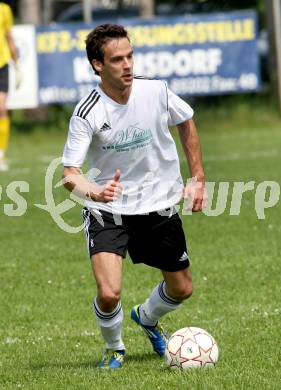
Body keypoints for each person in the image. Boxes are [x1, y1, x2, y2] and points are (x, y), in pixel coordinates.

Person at [62, 23, 206, 369]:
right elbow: (69, 174)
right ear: (98, 65)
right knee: (109, 292)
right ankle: (114, 348)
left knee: (182, 289)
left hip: (157, 204)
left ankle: (146, 316)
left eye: (130, 56)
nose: (127, 65)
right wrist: (94, 190)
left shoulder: (156, 91)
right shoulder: (88, 111)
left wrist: (197, 176)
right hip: (106, 209)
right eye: (117, 59)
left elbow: (186, 121)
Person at [0, 1, 19, 171]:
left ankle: (1, 154)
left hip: (2, 65)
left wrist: (17, 61)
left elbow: (9, 36)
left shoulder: (5, 9)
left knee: (1, 108)